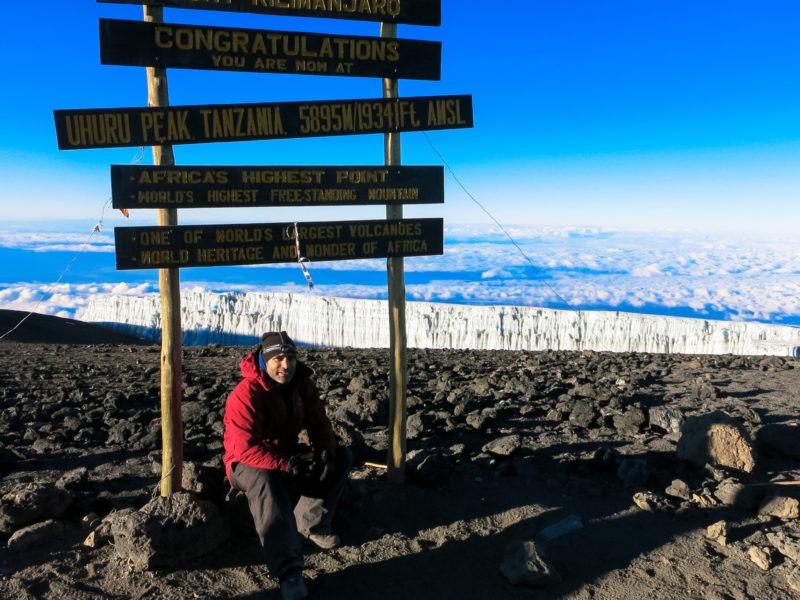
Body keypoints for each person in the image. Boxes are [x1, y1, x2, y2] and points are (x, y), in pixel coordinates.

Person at [223, 331, 352, 600]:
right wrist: (288, 464)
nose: (286, 365)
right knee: (265, 481)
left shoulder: (302, 385)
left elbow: (319, 424)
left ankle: (310, 526)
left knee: (341, 457)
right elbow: (245, 448)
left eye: (290, 357)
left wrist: (325, 452)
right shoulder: (246, 393)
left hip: (284, 452)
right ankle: (288, 570)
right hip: (244, 463)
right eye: (278, 358)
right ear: (264, 360)